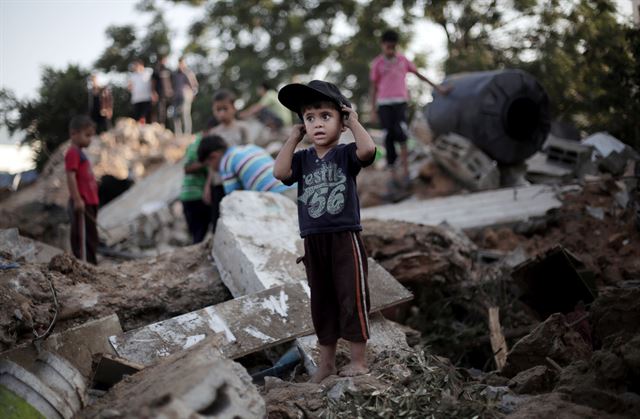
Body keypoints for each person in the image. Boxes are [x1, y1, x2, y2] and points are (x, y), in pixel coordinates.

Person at [273, 80, 377, 383]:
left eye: (325, 116)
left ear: (341, 122)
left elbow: (368, 150)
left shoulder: (345, 154)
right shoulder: (303, 160)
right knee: (322, 301)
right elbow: (280, 172)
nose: (317, 124)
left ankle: (358, 360)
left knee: (352, 296)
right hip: (314, 241)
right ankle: (327, 363)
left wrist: (354, 120)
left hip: (344, 238)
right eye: (309, 118)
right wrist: (293, 137)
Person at [370, 29, 451, 190]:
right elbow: (373, 87)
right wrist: (372, 109)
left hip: (400, 103)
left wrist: (438, 88)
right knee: (388, 137)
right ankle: (393, 176)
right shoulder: (377, 64)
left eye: (393, 47)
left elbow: (419, 74)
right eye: (388, 47)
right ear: (382, 46)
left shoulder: (402, 60)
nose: (391, 50)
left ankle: (406, 173)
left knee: (402, 133)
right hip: (385, 104)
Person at [197, 134, 294, 195]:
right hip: (294, 187)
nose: (211, 169)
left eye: (208, 165)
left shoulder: (226, 162)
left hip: (275, 195)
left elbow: (233, 197)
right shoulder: (250, 148)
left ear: (213, 156)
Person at [64, 115, 100, 264]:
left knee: (91, 235)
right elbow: (70, 176)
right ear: (74, 134)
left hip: (90, 202)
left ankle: (91, 262)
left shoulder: (80, 153)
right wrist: (77, 199)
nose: (89, 140)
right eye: (87, 135)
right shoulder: (72, 152)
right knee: (82, 236)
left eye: (91, 136)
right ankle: (84, 264)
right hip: (82, 202)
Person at [180, 134, 212, 243]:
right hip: (197, 196)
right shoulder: (202, 145)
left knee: (196, 233)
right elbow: (187, 168)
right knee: (199, 232)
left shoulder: (194, 144)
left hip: (187, 196)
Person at [172, 57, 198, 135]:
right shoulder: (175, 73)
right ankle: (178, 133)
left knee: (185, 114)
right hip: (176, 96)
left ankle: (187, 132)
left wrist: (193, 94)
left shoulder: (189, 73)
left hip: (186, 96)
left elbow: (194, 85)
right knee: (175, 115)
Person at [128, 59, 154, 123]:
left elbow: (153, 83)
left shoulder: (149, 72)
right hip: (136, 99)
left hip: (147, 98)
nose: (135, 67)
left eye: (136, 65)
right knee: (137, 118)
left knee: (146, 117)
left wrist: (153, 93)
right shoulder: (133, 75)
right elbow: (129, 86)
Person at [152, 55, 174, 126]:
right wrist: (153, 92)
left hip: (169, 95)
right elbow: (153, 82)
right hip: (160, 94)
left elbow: (172, 81)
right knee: (161, 111)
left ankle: (168, 127)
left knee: (169, 112)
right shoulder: (156, 70)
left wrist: (172, 91)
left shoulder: (169, 70)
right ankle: (161, 125)